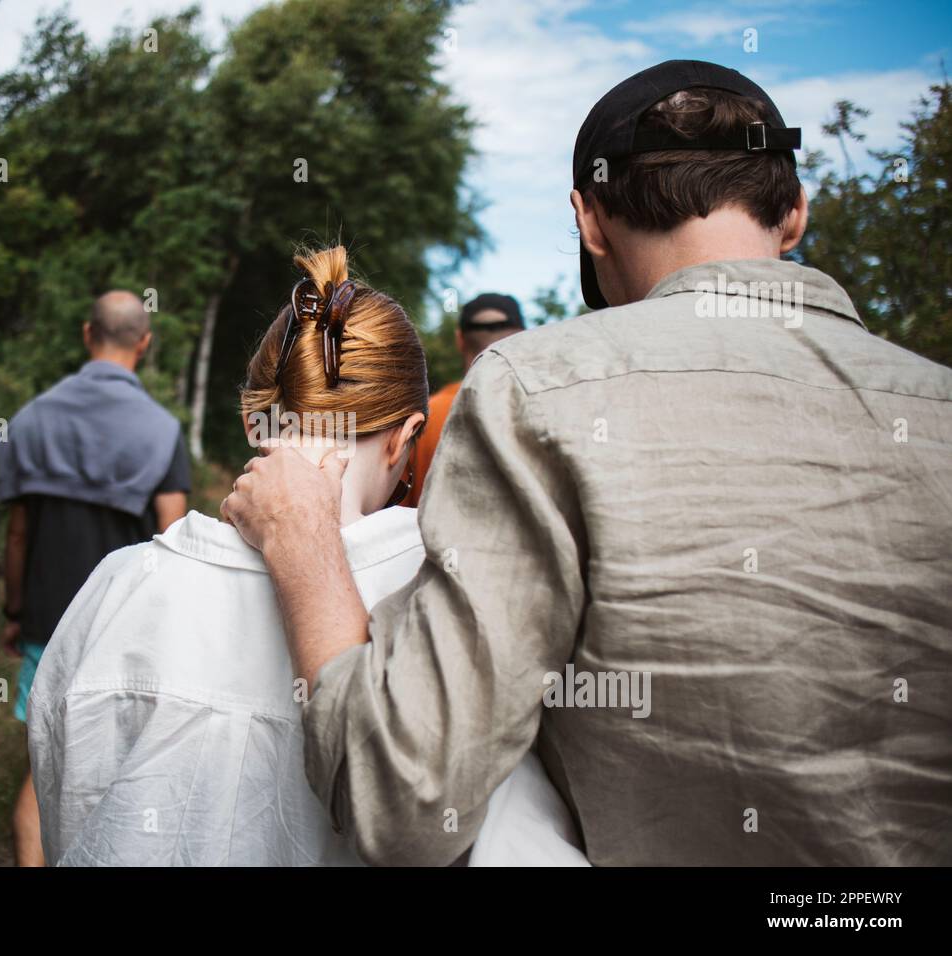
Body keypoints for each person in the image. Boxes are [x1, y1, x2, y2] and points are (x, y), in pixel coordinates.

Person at [221, 61, 952, 866]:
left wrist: (304, 545)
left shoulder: (536, 390)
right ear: (796, 212)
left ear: (589, 220)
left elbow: (407, 799)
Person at [27, 247, 587, 866]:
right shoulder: (456, 602)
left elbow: (69, 809)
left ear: (251, 420)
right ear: (407, 437)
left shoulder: (119, 588)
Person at [0, 290, 190, 866]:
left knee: (45, 765)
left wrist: (12, 612)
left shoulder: (31, 420)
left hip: (45, 617)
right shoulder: (160, 429)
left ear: (87, 334)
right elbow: (170, 536)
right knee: (111, 763)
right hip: (124, 623)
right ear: (145, 343)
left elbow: (17, 536)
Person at [406, 293, 524, 506]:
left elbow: (392, 512)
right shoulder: (543, 408)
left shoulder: (420, 417)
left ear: (460, 339)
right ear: (522, 335)